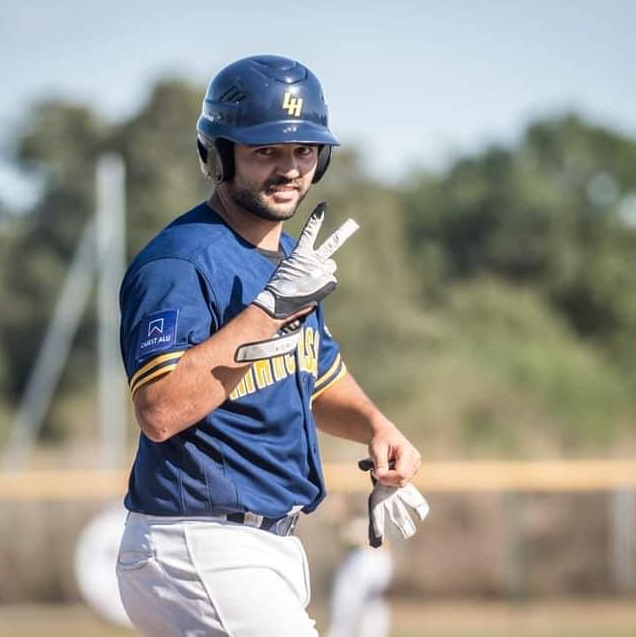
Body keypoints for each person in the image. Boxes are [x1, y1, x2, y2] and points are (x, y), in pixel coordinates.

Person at [115, 54, 423, 637]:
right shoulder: (180, 262)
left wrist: (377, 427)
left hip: (259, 548)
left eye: (303, 151)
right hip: (200, 542)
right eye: (265, 152)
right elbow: (158, 410)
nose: (289, 169)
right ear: (217, 156)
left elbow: (317, 375)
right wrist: (267, 312)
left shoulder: (285, 264)